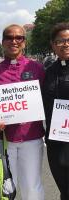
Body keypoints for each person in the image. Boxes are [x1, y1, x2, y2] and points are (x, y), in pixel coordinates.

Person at [0, 24, 45, 200]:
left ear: (24, 42)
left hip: (32, 137)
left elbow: (48, 98)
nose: (14, 41)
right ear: (3, 42)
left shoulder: (37, 69)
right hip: (4, 139)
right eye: (9, 37)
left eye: (18, 38)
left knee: (32, 187)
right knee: (5, 187)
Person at [43, 22, 69, 200]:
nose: (65, 44)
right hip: (56, 140)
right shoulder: (48, 72)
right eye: (60, 41)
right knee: (64, 188)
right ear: (53, 45)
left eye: (68, 40)